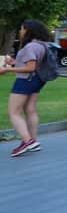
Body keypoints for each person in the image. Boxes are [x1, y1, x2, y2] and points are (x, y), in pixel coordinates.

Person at [2, 19, 53, 158]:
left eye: (22, 28)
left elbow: (30, 67)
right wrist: (13, 62)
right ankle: (32, 140)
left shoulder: (30, 47)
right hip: (37, 80)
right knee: (29, 109)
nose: (21, 31)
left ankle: (28, 141)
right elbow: (30, 64)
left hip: (26, 80)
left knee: (13, 112)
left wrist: (6, 70)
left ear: (28, 30)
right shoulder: (42, 45)